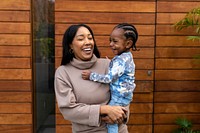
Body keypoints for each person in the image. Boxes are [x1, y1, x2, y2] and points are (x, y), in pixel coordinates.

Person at [54, 24, 130, 133]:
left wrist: (122, 114)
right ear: (70, 45)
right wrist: (103, 109)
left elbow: (124, 92)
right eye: (81, 39)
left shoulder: (108, 65)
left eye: (90, 38)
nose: (88, 42)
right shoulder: (63, 73)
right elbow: (68, 109)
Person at [82, 23, 138, 133]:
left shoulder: (120, 60)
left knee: (111, 119)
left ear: (128, 43)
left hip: (119, 97)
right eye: (110, 40)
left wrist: (91, 75)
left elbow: (109, 79)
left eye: (115, 41)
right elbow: (119, 71)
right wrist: (111, 62)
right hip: (124, 95)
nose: (111, 44)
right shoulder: (126, 57)